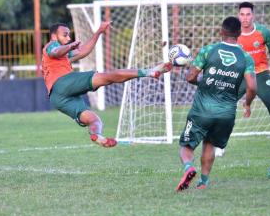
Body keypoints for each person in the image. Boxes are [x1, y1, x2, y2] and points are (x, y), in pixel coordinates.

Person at [42, 22, 172, 147]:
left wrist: (98, 32)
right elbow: (55, 51)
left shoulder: (64, 55)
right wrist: (70, 46)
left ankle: (97, 136)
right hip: (63, 82)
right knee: (108, 77)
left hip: (57, 98)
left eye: (69, 35)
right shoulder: (52, 45)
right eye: (65, 35)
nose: (69, 38)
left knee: (94, 120)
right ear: (54, 36)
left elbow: (83, 51)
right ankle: (149, 71)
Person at [176, 16, 257, 191]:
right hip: (226, 114)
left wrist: (201, 81)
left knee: (186, 145)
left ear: (221, 31)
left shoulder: (208, 50)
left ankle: (188, 168)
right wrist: (248, 103)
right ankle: (204, 182)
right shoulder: (246, 58)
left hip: (202, 110)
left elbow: (190, 77)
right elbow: (252, 86)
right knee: (210, 144)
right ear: (239, 33)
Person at [215, 2, 270, 158]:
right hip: (238, 76)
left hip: (260, 74)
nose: (245, 18)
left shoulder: (263, 32)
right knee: (224, 106)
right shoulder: (233, 34)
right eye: (242, 14)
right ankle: (220, 143)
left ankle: (248, 104)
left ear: (253, 15)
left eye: (248, 14)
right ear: (238, 15)